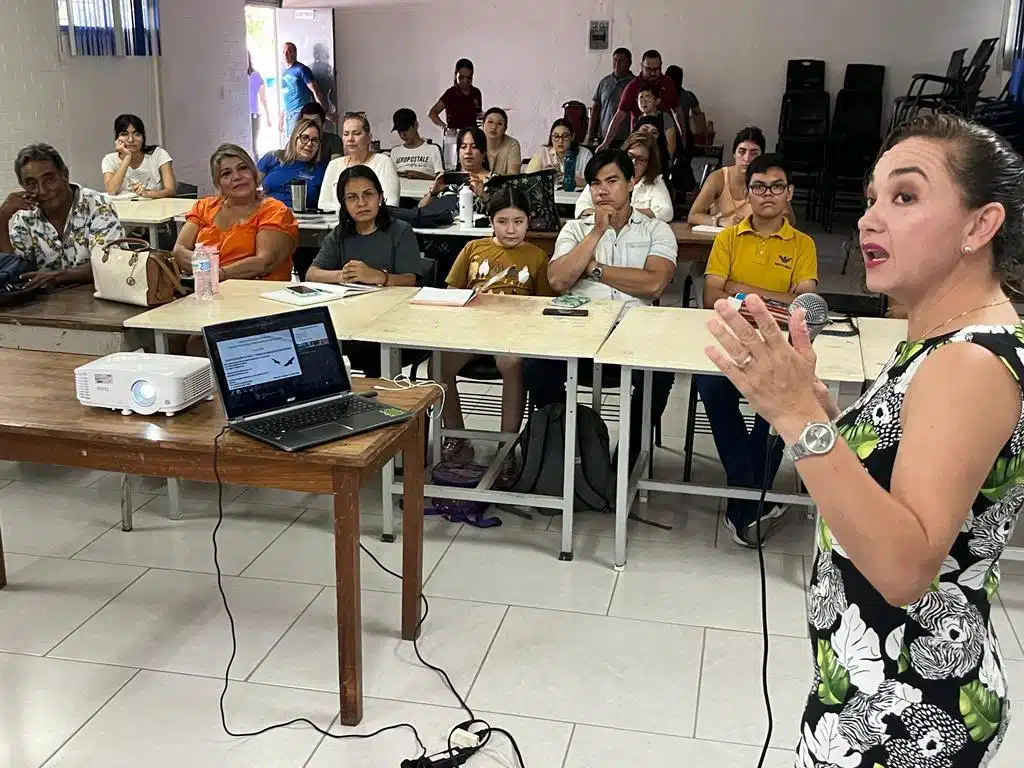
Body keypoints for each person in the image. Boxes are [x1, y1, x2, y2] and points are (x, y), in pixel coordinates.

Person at [706, 113, 1024, 768]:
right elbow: (896, 480)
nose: (869, 219)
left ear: (978, 225)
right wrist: (817, 404)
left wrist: (798, 416)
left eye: (905, 196)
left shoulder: (968, 360)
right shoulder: (935, 339)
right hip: (870, 687)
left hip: (914, 708)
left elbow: (906, 568)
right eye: (873, 197)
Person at [523, 150, 677, 469]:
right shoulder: (576, 230)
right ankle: (576, 440)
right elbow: (557, 279)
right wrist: (596, 233)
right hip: (578, 330)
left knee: (660, 373)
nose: (602, 190)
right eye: (595, 183)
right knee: (535, 365)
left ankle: (627, 458)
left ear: (632, 182)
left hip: (633, 334)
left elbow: (653, 285)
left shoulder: (655, 230)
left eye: (612, 180)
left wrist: (594, 269)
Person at [694, 153, 818, 547]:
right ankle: (751, 496)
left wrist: (741, 290)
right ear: (747, 193)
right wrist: (771, 297)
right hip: (730, 339)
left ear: (789, 193)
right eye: (759, 187)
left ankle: (742, 500)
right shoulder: (728, 237)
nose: (767, 195)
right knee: (710, 386)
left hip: (781, 346)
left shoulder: (803, 244)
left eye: (776, 187)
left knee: (783, 395)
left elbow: (802, 306)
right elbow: (711, 294)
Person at [439, 188, 553, 476]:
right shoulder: (473, 249)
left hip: (512, 333)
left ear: (529, 222)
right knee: (439, 363)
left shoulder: (538, 257)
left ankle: (506, 447)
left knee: (512, 363)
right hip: (473, 329)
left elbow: (544, 304)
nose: (511, 229)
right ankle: (456, 436)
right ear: (491, 221)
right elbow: (452, 292)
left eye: (518, 221)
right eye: (503, 221)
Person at [307, 166, 422, 377]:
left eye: (368, 194)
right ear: (344, 204)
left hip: (395, 325)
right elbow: (312, 273)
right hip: (350, 321)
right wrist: (342, 275)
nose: (361, 203)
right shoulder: (340, 234)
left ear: (380, 197)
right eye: (352, 197)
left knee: (370, 353)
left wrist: (378, 277)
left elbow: (410, 280)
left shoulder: (400, 230)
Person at [2, 143, 123, 289]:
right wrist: (2, 218)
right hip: (48, 306)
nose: (42, 190)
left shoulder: (97, 205)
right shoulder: (26, 215)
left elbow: (108, 263)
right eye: (32, 184)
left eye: (49, 179)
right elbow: (14, 270)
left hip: (101, 297)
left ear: (64, 174)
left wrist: (58, 277)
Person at [173, 143, 297, 284]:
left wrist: (217, 273)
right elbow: (179, 250)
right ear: (218, 184)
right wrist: (212, 273)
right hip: (208, 293)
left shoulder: (275, 211)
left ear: (254, 173)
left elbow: (264, 263)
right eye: (226, 173)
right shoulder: (204, 207)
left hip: (260, 296)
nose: (237, 177)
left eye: (243, 168)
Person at [689, 126, 795, 227]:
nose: (747, 158)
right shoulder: (718, 178)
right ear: (734, 153)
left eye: (754, 153)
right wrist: (721, 221)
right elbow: (693, 216)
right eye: (742, 152)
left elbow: (789, 219)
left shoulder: (769, 179)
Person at [597, 50, 685, 153]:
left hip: (665, 138)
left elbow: (677, 110)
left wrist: (683, 135)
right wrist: (606, 142)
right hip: (640, 141)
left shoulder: (668, 83)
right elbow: (619, 115)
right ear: (642, 66)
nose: (652, 73)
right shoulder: (633, 87)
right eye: (648, 69)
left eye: (656, 69)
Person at [575, 132, 672, 222]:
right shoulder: (604, 174)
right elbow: (582, 207)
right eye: (630, 156)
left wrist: (625, 214)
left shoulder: (655, 181)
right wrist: (602, 216)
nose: (634, 162)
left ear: (649, 163)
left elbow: (666, 212)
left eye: (640, 159)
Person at [320, 113, 401, 210]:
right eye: (346, 134)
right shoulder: (334, 165)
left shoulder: (383, 162)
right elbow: (323, 204)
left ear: (369, 137)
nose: (350, 139)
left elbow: (390, 204)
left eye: (356, 133)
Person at [257, 116, 328, 210]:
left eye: (315, 140)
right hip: (267, 214)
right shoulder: (272, 157)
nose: (309, 144)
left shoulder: (322, 170)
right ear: (294, 138)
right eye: (305, 137)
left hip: (303, 220)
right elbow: (249, 186)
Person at [101, 114, 176, 199]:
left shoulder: (158, 154)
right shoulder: (109, 159)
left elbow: (171, 191)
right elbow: (112, 191)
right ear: (117, 138)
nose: (131, 140)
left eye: (137, 134)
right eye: (125, 134)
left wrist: (148, 194)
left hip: (157, 208)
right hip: (125, 209)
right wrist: (127, 158)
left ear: (143, 137)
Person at [419, 126, 491, 214]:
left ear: (483, 153)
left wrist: (484, 196)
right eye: (463, 147)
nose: (468, 151)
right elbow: (420, 210)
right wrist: (433, 193)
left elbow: (503, 214)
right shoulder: (447, 177)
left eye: (474, 147)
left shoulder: (495, 181)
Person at [525, 119, 593, 190]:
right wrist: (544, 176)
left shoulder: (585, 154)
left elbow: (596, 182)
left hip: (576, 199)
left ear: (572, 137)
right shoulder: (543, 153)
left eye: (565, 136)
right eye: (556, 137)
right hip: (551, 199)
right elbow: (526, 180)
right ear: (551, 138)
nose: (560, 141)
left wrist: (581, 182)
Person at [586, 47, 635, 147]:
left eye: (621, 61)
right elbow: (596, 109)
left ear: (629, 63)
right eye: (615, 60)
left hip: (625, 138)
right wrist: (590, 133)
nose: (617, 64)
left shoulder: (634, 83)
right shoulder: (605, 82)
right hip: (604, 137)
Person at [280, 42, 327, 138]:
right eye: (284, 52)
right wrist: (281, 117)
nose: (286, 54)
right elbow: (285, 95)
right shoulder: (284, 71)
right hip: (288, 114)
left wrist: (324, 113)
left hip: (299, 113)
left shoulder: (302, 69)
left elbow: (316, 91)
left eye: (289, 51)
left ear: (295, 53)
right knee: (290, 142)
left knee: (297, 141)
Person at [428, 58, 482, 132]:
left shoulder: (476, 92)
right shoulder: (450, 93)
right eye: (461, 77)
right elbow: (432, 113)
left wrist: (489, 115)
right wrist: (444, 127)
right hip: (454, 136)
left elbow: (478, 114)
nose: (465, 81)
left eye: (469, 78)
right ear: (456, 74)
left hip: (471, 135)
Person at [390, 108, 444, 180]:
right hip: (401, 190)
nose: (403, 135)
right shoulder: (395, 151)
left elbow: (441, 180)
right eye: (399, 131)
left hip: (425, 190)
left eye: (406, 130)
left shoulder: (433, 149)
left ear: (416, 125)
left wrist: (421, 176)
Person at [634, 82, 677, 159]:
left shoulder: (664, 117)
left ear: (657, 100)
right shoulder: (639, 119)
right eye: (641, 97)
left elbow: (671, 146)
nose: (643, 101)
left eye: (648, 97)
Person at [481, 107, 522, 176]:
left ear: (505, 129)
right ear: (483, 124)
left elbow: (513, 177)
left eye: (499, 124)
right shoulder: (475, 142)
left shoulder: (512, 144)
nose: (494, 127)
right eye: (490, 122)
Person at [248, 51, 271, 156]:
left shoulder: (255, 75)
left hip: (253, 115)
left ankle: (256, 170)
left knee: (252, 146)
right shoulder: (254, 75)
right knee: (252, 146)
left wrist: (268, 117)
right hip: (251, 115)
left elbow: (263, 98)